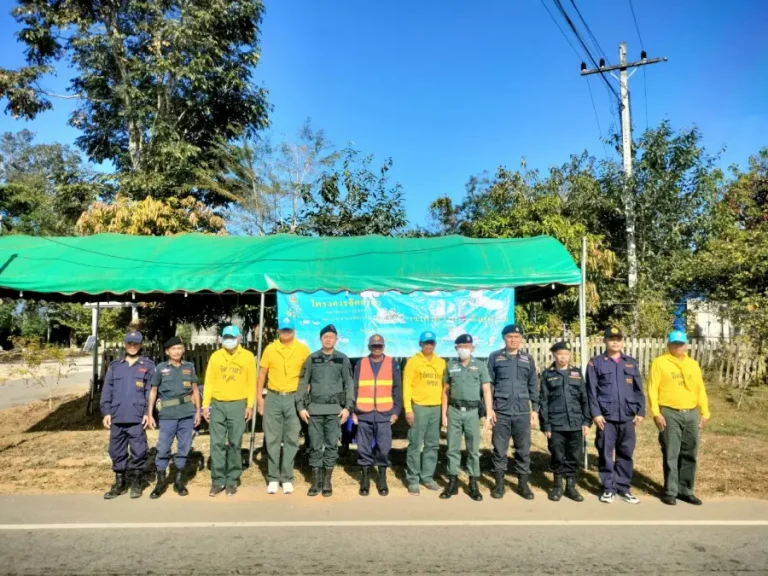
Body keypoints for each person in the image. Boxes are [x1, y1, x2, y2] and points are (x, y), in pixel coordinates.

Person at [647, 330, 710, 506]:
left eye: (681, 343)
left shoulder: (693, 364)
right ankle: (670, 491)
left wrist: (705, 412)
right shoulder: (660, 362)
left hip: (691, 413)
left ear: (686, 345)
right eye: (674, 343)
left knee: (690, 453)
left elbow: (700, 389)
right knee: (671, 453)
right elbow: (652, 388)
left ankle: (686, 490)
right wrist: (656, 413)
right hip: (670, 412)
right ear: (668, 344)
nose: (677, 346)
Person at [586, 327, 645, 504]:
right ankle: (608, 488)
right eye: (611, 339)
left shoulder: (630, 363)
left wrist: (641, 411)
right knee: (605, 453)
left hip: (627, 416)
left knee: (626, 453)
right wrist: (596, 413)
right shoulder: (596, 363)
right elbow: (591, 391)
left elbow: (638, 390)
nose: (615, 342)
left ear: (622, 341)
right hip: (606, 417)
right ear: (605, 341)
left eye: (618, 339)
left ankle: (623, 487)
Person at [296, 324, 355, 497]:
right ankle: (316, 482)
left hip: (335, 410)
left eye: (331, 337)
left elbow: (349, 385)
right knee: (314, 445)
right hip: (314, 410)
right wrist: (300, 407)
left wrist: (348, 408)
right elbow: (302, 384)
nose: (328, 339)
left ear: (336, 339)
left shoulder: (342, 359)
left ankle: (327, 481)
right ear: (320, 339)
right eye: (325, 337)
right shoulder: (311, 359)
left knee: (331, 445)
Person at [257, 317, 311, 495]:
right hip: (273, 396)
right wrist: (259, 398)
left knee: (291, 439)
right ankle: (273, 478)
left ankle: (287, 478)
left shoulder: (302, 349)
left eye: (289, 329)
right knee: (272, 439)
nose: (286, 332)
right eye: (283, 330)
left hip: (294, 398)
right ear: (278, 331)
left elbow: (308, 376)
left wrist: (304, 397)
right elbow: (262, 374)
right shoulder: (270, 349)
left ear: (294, 331)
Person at [487, 324, 540, 500]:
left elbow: (533, 384)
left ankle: (523, 484)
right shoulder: (495, 357)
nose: (513, 340)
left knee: (523, 449)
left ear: (521, 339)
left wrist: (535, 409)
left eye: (516, 337)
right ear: (504, 338)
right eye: (510, 336)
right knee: (499, 449)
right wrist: (490, 409)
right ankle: (499, 484)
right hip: (501, 411)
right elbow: (489, 385)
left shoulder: (527, 359)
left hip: (522, 411)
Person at [100, 330, 155, 500]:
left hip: (137, 417)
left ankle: (137, 482)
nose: (132, 346)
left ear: (140, 345)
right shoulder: (115, 366)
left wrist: (148, 413)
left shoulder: (148, 365)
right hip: (117, 415)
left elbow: (150, 392)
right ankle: (120, 484)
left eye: (135, 343)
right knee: (116, 450)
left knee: (139, 450)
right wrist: (106, 412)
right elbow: (107, 390)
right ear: (125, 344)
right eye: (129, 343)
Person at [202, 325, 256, 497]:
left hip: (238, 404)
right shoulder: (216, 356)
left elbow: (251, 383)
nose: (229, 340)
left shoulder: (247, 357)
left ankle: (232, 479)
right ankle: (218, 480)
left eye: (232, 337)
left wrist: (250, 405)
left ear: (239, 338)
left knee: (235, 442)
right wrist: (205, 405)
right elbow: (209, 381)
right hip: (218, 404)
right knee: (216, 443)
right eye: (226, 337)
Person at [440, 334, 493, 502]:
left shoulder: (480, 366)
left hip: (472, 412)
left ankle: (473, 484)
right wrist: (444, 414)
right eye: (461, 346)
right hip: (454, 411)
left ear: (473, 348)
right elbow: (445, 391)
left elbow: (486, 390)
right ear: (456, 348)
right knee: (452, 449)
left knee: (473, 450)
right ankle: (452, 483)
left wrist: (489, 413)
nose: (464, 349)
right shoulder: (451, 365)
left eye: (467, 346)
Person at [147, 336, 200, 499]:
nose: (177, 352)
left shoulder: (189, 367)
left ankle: (179, 481)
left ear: (183, 350)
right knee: (163, 448)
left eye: (179, 348)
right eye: (173, 349)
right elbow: (153, 391)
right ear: (167, 352)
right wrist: (149, 414)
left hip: (186, 414)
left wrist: (198, 411)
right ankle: (160, 482)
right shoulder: (161, 368)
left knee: (184, 447)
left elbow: (195, 390)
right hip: (168, 415)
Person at [539, 341, 591, 502]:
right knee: (557, 455)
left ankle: (571, 487)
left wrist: (586, 422)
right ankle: (557, 486)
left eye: (566, 354)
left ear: (570, 355)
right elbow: (544, 401)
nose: (563, 357)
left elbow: (584, 398)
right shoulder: (547, 374)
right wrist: (546, 425)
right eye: (560, 354)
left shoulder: (577, 373)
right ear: (554, 355)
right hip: (556, 423)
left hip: (575, 422)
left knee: (574, 456)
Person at [353, 334, 402, 497]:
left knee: (384, 448)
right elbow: (354, 388)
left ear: (383, 347)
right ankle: (365, 479)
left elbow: (397, 388)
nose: (377, 348)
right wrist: (354, 411)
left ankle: (382, 478)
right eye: (374, 346)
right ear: (369, 347)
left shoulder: (392, 363)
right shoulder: (361, 363)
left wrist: (396, 411)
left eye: (379, 346)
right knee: (364, 448)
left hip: (384, 413)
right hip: (364, 413)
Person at [403, 331, 446, 496]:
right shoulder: (413, 361)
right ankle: (413, 480)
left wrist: (444, 411)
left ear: (435, 344)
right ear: (420, 344)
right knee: (415, 444)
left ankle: (427, 477)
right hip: (419, 407)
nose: (428, 345)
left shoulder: (441, 362)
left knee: (432, 445)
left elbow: (445, 387)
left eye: (431, 342)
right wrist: (408, 409)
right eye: (425, 342)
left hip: (436, 408)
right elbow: (407, 386)